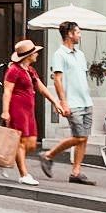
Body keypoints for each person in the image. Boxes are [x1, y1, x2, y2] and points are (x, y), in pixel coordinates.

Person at [0, 39, 65, 185]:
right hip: (17, 108)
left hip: (28, 109)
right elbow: (7, 91)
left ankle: (6, 158)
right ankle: (24, 175)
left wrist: (55, 101)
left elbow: (41, 87)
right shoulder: (14, 70)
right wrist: (5, 111)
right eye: (35, 52)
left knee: (31, 143)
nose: (37, 54)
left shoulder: (30, 70)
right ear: (28, 55)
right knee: (21, 142)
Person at [39, 21, 97, 185]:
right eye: (78, 32)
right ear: (70, 34)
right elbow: (57, 80)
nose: (80, 35)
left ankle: (76, 172)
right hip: (72, 102)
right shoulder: (60, 54)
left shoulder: (80, 54)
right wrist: (63, 103)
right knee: (78, 137)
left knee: (84, 139)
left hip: (86, 101)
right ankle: (48, 155)